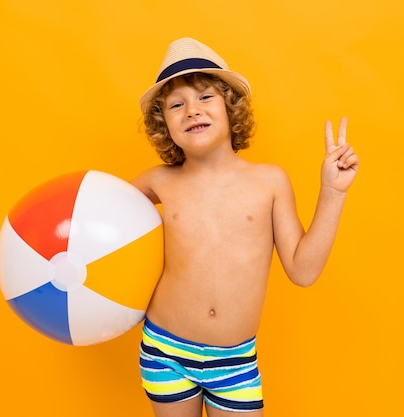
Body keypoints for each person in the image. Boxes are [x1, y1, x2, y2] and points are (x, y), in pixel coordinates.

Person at [131, 38, 359, 417]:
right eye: (176, 104)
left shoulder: (269, 182)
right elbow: (100, 226)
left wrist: (332, 192)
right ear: (163, 124)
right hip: (164, 351)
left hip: (235, 361)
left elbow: (302, 272)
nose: (191, 110)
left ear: (230, 107)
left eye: (205, 97)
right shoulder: (156, 182)